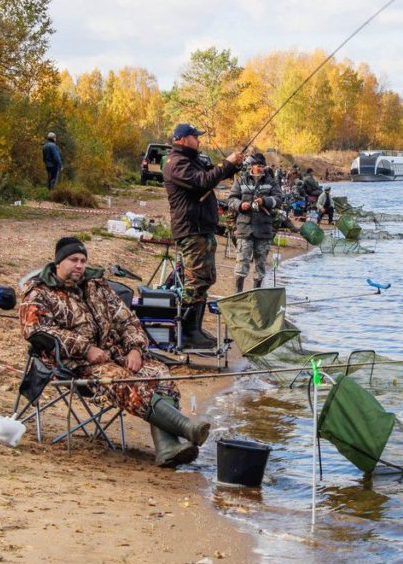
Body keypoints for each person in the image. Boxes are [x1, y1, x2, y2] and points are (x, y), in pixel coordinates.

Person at [19, 237, 209, 467]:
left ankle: (167, 448)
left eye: (83, 260)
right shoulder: (39, 292)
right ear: (58, 262)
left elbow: (128, 320)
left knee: (160, 374)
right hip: (74, 364)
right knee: (122, 380)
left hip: (115, 354)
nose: (80, 265)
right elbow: (37, 331)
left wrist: (135, 350)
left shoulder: (97, 285)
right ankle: (186, 428)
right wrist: (87, 349)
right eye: (73, 260)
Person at [162, 123, 244, 348]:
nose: (199, 140)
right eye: (195, 137)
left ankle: (195, 329)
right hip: (191, 230)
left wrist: (231, 165)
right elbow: (203, 182)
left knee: (206, 278)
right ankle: (188, 333)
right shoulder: (176, 163)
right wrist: (226, 162)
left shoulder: (191, 159)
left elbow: (211, 176)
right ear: (182, 138)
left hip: (202, 229)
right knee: (194, 281)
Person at [227, 153, 281, 292]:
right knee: (242, 262)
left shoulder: (271, 182)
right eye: (258, 165)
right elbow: (231, 199)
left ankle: (256, 292)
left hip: (264, 230)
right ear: (252, 166)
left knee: (261, 263)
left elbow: (279, 200)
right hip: (244, 228)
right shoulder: (241, 181)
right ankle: (238, 292)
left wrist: (265, 201)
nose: (261, 168)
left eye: (263, 166)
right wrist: (240, 205)